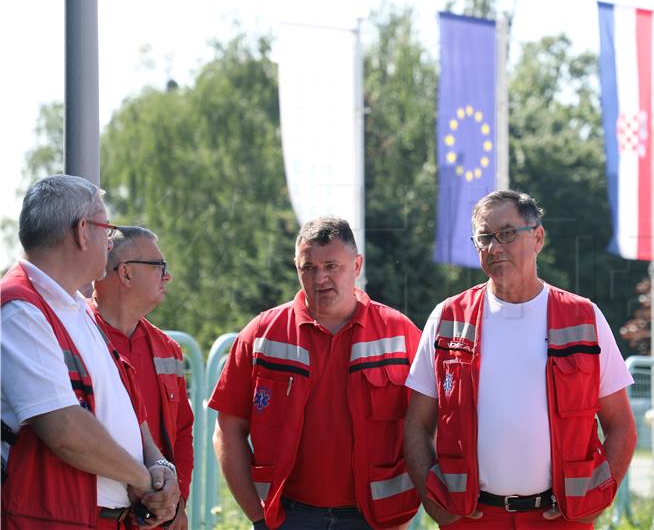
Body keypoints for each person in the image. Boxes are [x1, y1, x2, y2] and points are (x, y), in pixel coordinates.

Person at [404, 190, 637, 529]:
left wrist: (595, 500)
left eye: (508, 234)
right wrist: (433, 501)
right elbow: (416, 423)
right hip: (470, 518)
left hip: (560, 519)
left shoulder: (584, 317)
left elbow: (621, 426)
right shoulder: (447, 318)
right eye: (484, 238)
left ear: (538, 237)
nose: (495, 247)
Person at [209, 217, 421, 529]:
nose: (320, 278)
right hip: (288, 516)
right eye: (308, 268)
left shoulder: (400, 334)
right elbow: (228, 429)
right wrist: (258, 517)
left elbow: (428, 426)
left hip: (376, 519)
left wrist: (402, 517)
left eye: (332, 266)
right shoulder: (262, 334)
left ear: (357, 265)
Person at [1, 174, 180, 529]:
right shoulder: (20, 309)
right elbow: (63, 427)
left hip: (97, 518)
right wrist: (144, 481)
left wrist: (160, 465)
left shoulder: (75, 307)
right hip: (55, 519)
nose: (110, 244)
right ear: (83, 231)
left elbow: (127, 404)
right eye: (105, 228)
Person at [91, 226, 195, 530]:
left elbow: (182, 433)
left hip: (156, 522)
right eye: (158, 266)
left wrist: (177, 503)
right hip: (91, 518)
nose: (168, 276)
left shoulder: (168, 349)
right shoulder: (73, 334)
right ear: (125, 274)